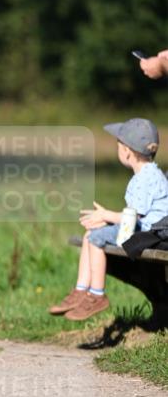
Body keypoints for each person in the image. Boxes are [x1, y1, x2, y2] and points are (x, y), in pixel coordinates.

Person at [49, 118, 168, 321]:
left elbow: (134, 217)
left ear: (127, 151)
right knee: (91, 234)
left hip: (149, 233)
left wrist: (106, 216)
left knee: (95, 238)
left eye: (118, 145)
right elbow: (134, 215)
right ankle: (81, 290)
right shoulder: (149, 174)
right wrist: (109, 219)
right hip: (144, 228)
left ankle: (97, 295)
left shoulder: (144, 178)